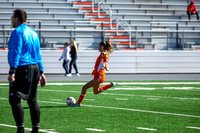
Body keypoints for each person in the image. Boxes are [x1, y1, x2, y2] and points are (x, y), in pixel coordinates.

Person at [7, 9, 47, 133]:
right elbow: (38, 53)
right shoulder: (34, 33)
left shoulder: (17, 32)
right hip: (34, 67)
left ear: (18, 18)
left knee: (14, 99)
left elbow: (16, 51)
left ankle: (20, 129)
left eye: (13, 17)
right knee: (32, 100)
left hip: (22, 68)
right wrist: (41, 72)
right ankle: (35, 130)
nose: (11, 19)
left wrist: (12, 71)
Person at [71, 41, 117, 107]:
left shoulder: (104, 54)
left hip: (99, 76)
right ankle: (111, 85)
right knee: (96, 92)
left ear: (102, 47)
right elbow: (103, 63)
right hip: (98, 76)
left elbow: (104, 57)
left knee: (84, 87)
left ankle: (78, 103)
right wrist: (106, 67)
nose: (98, 47)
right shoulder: (102, 54)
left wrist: (103, 55)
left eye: (99, 46)